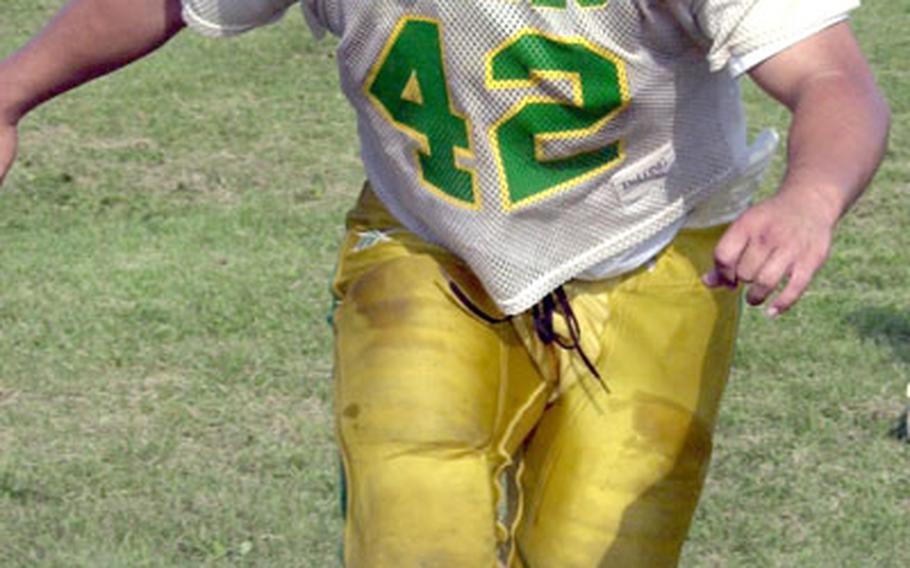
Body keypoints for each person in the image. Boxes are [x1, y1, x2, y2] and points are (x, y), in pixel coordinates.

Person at [0, 1, 890, 566]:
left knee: (604, 547)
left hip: (652, 250)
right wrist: (10, 92)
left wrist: (809, 198)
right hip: (428, 245)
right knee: (412, 531)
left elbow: (832, 77)